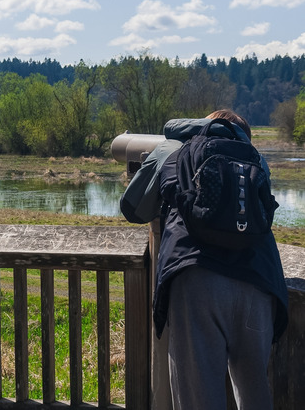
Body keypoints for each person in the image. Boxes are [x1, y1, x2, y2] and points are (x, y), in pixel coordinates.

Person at [120, 110, 288, 410]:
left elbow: (134, 209)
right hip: (260, 284)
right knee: (255, 395)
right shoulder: (255, 157)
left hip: (196, 279)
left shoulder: (172, 148)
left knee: (198, 399)